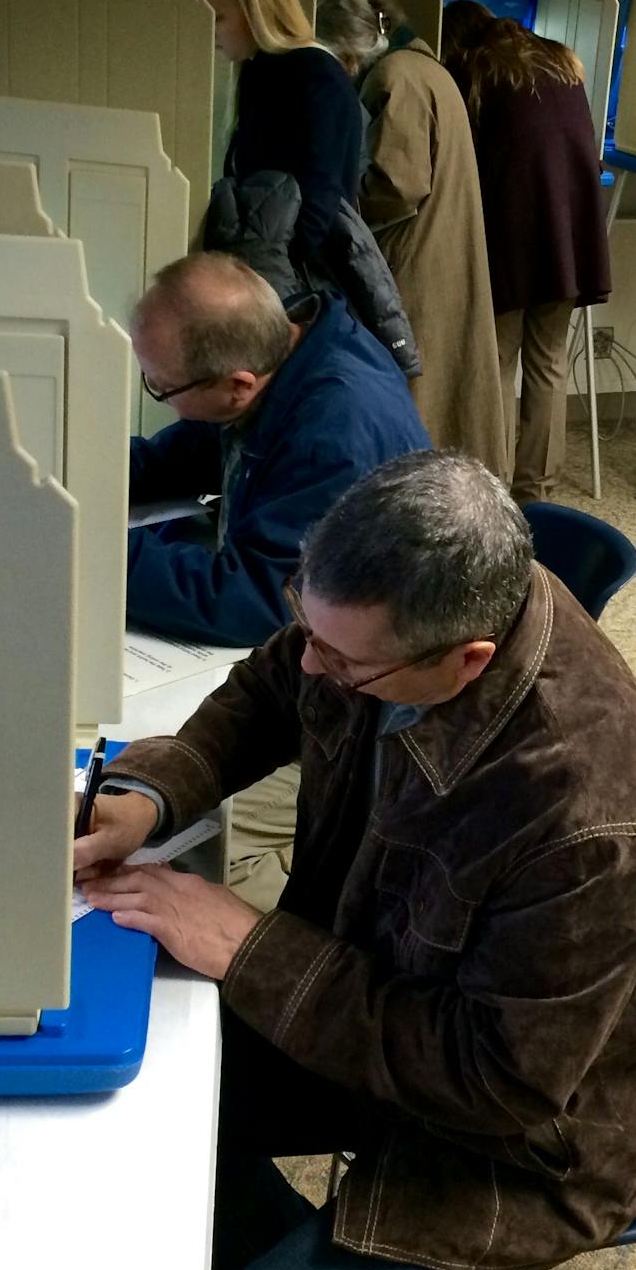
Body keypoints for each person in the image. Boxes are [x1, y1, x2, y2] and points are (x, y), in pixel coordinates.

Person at [75, 451, 636, 1270]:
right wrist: (158, 789)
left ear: (468, 661)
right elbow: (272, 687)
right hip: (377, 986)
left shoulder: (590, 819)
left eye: (344, 665)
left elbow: (498, 1083)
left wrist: (250, 948)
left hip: (519, 1148)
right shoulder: (399, 615)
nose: (312, 666)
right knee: (123, 1117)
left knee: (182, 1185)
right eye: (311, 629)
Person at [126, 254, 430, 908]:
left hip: (358, 700)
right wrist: (92, 474)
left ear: (237, 383)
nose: (161, 396)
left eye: (161, 387)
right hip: (325, 662)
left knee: (208, 855)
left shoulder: (333, 433)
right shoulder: (291, 346)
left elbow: (254, 600)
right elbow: (203, 441)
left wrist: (100, 554)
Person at [316, 0, 514, 482]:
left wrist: (329, 195)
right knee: (446, 390)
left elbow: (396, 184)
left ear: (348, 56)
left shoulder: (394, 77)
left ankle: (422, 503)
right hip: (442, 250)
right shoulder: (424, 69)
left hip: (417, 258)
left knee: (417, 394)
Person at [441, 1, 613, 503]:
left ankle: (491, 481)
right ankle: (536, 490)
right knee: (549, 360)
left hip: (512, 228)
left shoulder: (475, 68)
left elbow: (462, 159)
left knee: (497, 357)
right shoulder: (562, 61)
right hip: (569, 231)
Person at [192, 0, 365, 262]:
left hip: (295, 287)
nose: (208, 31)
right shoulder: (265, 69)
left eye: (218, 17)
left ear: (255, 6)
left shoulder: (314, 77)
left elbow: (313, 221)